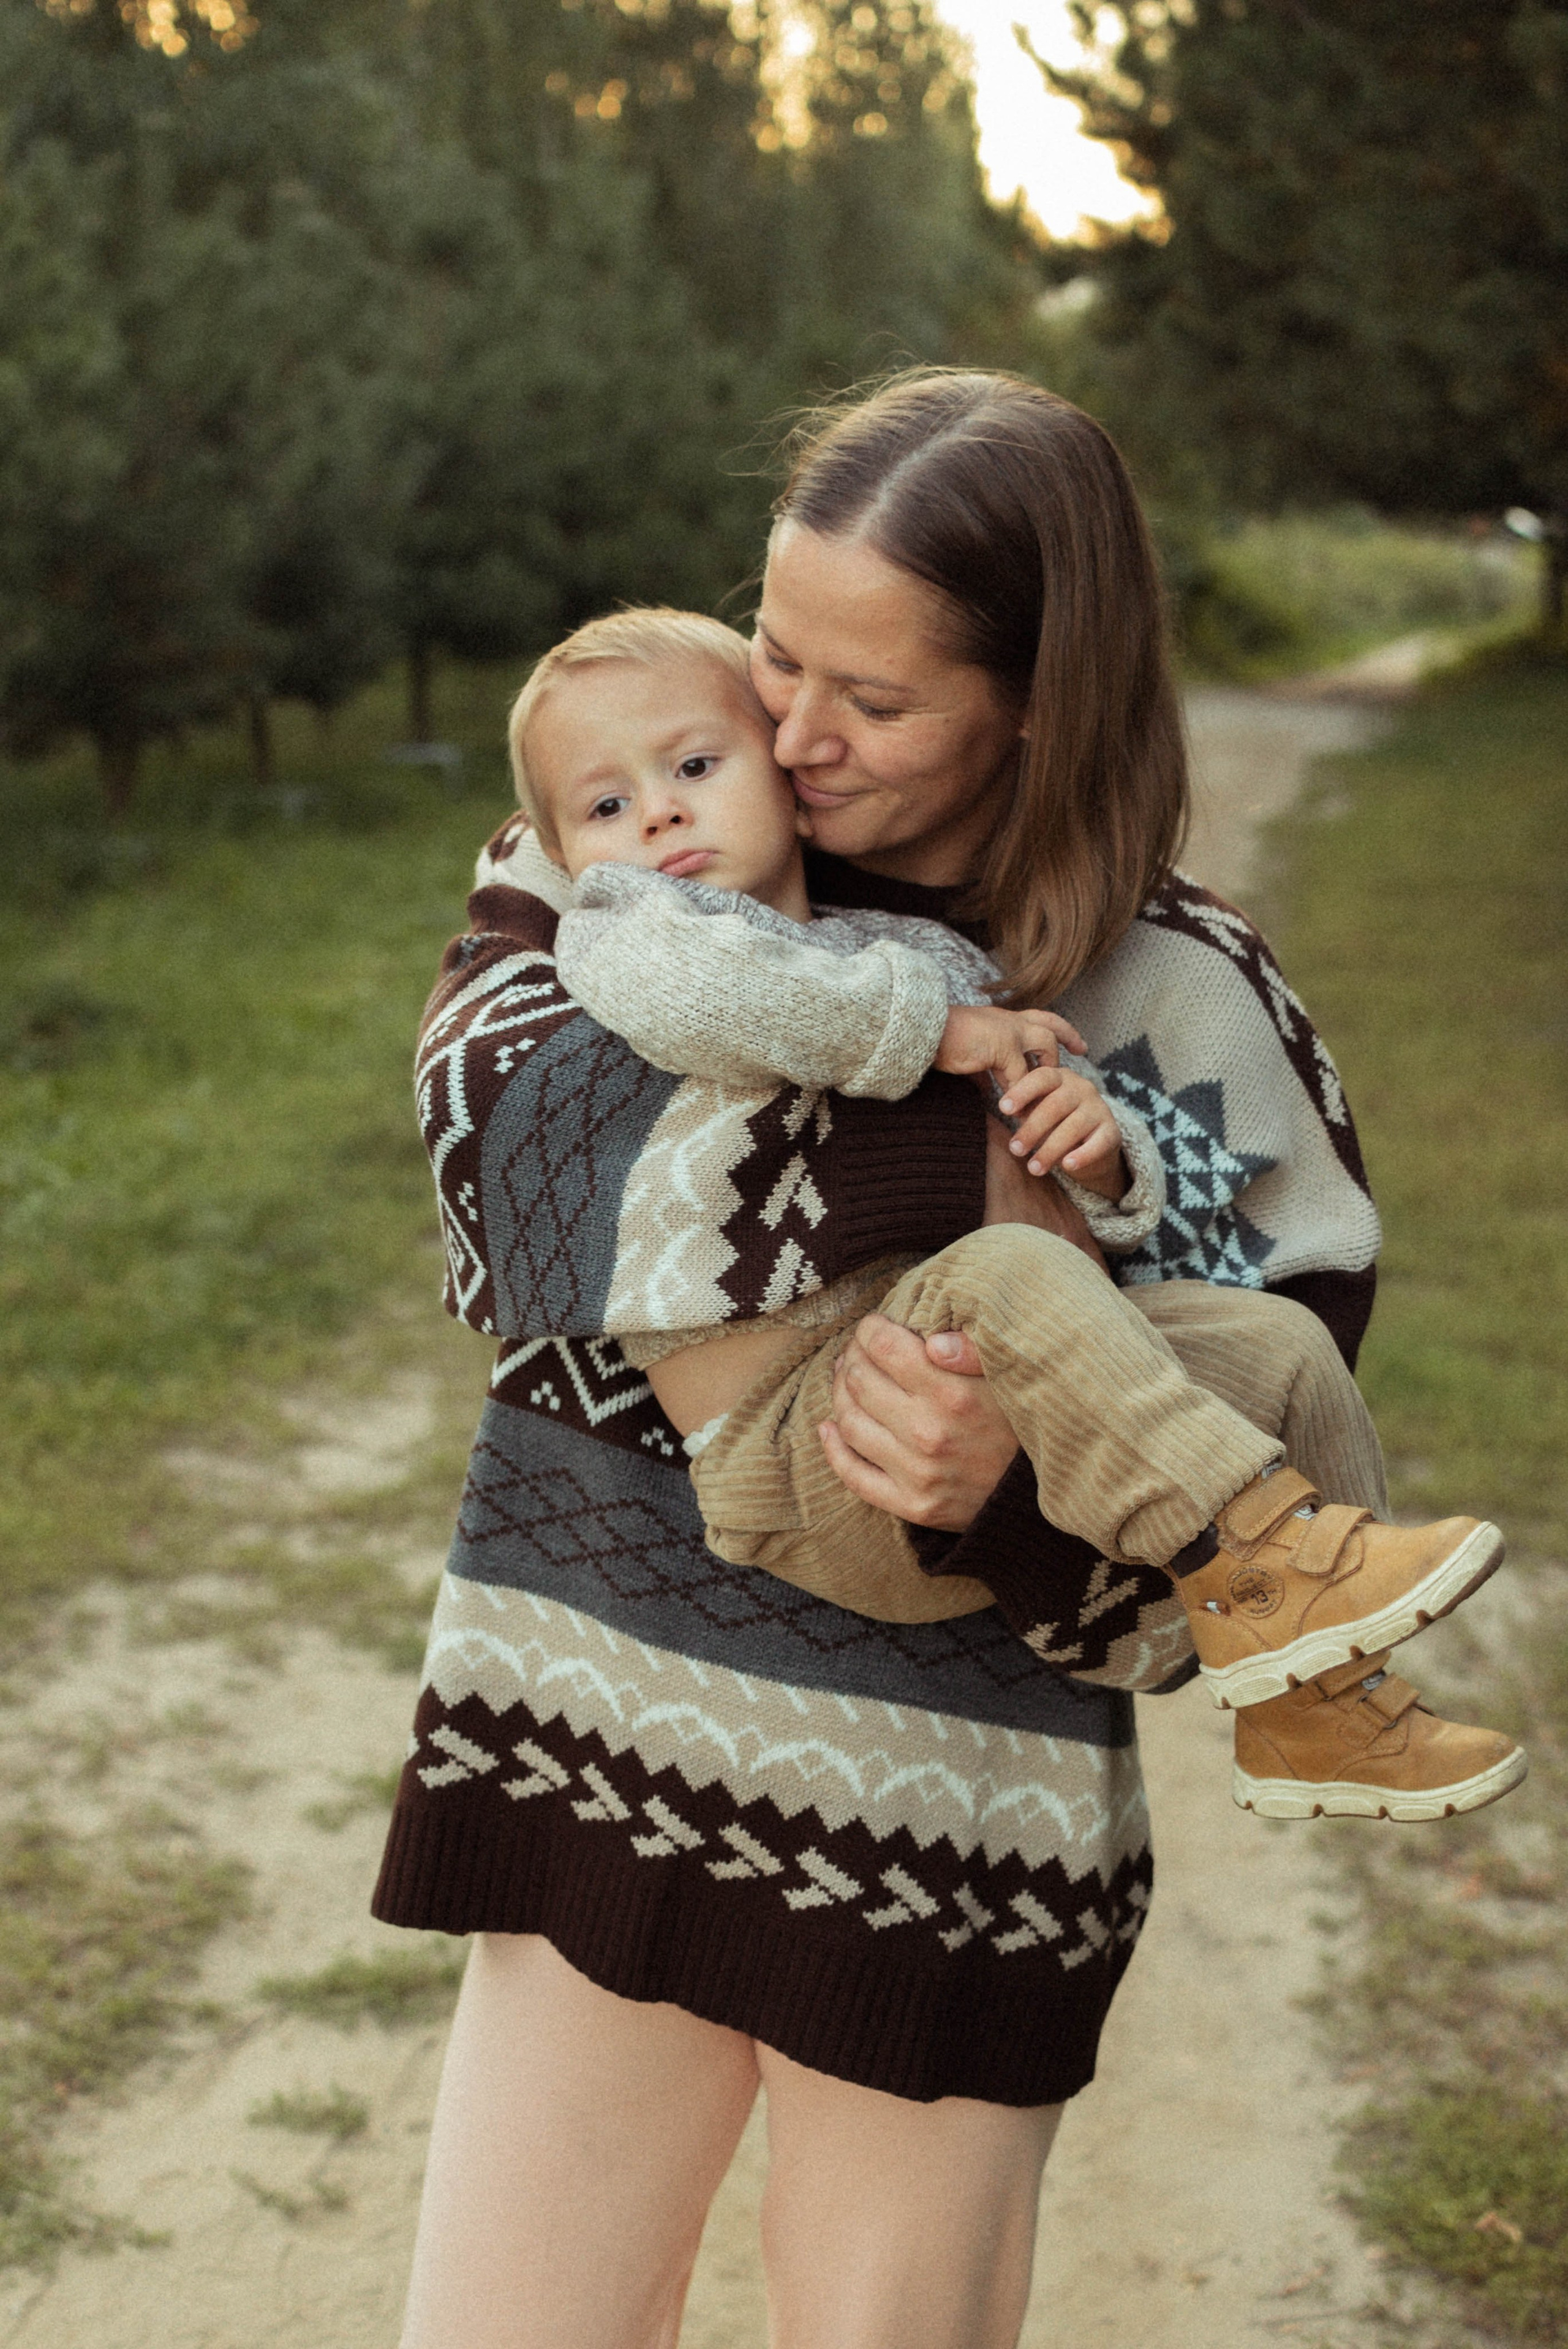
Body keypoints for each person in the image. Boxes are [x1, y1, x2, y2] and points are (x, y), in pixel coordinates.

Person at [378, 374, 1503, 2349]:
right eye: (777, 651)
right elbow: (507, 1161)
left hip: (945, 1838)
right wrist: (966, 1157)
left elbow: (1267, 1421)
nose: (789, 736)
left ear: (1037, 711)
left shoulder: (1188, 997)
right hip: (598, 1741)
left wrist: (1016, 1492)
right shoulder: (636, 821)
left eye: (871, 701)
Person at [503, 601, 1518, 1798]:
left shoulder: (906, 947)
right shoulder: (633, 932)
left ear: (782, 771)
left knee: (1282, 1348)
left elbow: (1043, 1155)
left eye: (691, 766)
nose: (658, 812)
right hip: (794, 1449)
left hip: (977, 1384)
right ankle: (1260, 1561)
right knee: (1005, 1275)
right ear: (564, 854)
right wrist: (940, 1034)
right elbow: (720, 1001)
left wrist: (1100, 1154)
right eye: (605, 806)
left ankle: (1323, 1706)